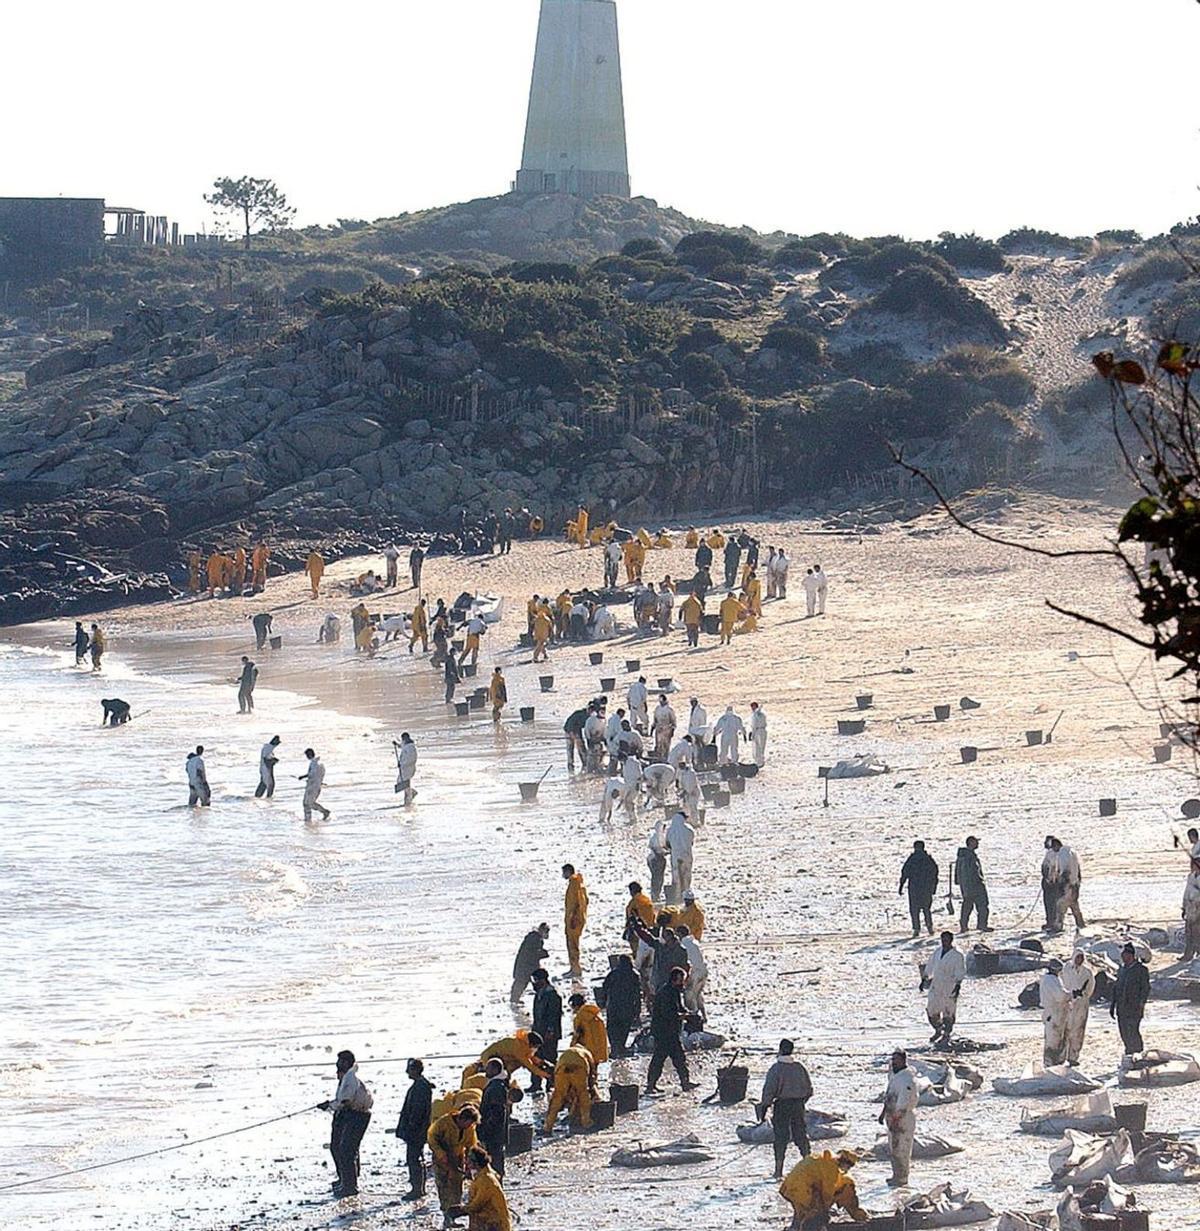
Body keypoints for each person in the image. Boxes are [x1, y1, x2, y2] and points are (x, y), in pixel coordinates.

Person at [319, 1050, 373, 1199]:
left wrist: (330, 1105)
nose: (338, 1064)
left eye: (341, 1061)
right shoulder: (347, 1078)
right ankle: (345, 1180)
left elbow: (345, 1101)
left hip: (356, 1115)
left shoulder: (350, 1078)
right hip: (351, 1114)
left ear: (347, 1062)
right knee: (339, 1148)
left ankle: (350, 1186)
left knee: (346, 1150)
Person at [757, 1039, 813, 1179]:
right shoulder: (799, 1067)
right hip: (798, 1105)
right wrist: (801, 1102)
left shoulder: (776, 1069)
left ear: (780, 1050)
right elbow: (809, 1090)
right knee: (800, 1135)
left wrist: (764, 1107)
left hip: (782, 1105)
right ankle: (810, 1165)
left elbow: (768, 1091)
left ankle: (778, 1171)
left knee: (781, 1137)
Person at [779, 1149, 867, 1230]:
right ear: (845, 1162)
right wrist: (825, 1211)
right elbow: (827, 1195)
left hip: (790, 1186)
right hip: (802, 1189)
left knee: (801, 1213)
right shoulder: (832, 1170)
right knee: (816, 1216)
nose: (848, 1168)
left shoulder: (825, 1160)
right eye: (850, 1165)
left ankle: (794, 1228)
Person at [645, 967, 697, 1094]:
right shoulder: (666, 993)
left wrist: (689, 1014)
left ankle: (684, 1083)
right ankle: (652, 1085)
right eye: (682, 980)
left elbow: (679, 1008)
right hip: (664, 1032)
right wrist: (684, 1016)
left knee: (676, 1058)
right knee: (661, 1058)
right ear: (676, 980)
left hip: (670, 1031)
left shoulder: (673, 991)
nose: (683, 983)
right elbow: (668, 1013)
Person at [428, 1104, 479, 1223]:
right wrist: (440, 1153)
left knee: (456, 1188)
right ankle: (446, 1215)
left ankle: (453, 1216)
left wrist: (469, 1164)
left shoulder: (470, 1128)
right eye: (468, 1123)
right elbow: (431, 1137)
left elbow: (471, 1146)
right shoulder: (443, 1122)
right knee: (443, 1186)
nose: (470, 1126)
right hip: (441, 1160)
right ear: (462, 1119)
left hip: (458, 1159)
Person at [879, 1050, 919, 1187]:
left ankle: (902, 1178)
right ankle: (896, 1175)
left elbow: (904, 1102)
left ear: (903, 1060)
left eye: (896, 1060)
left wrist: (896, 1119)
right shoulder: (894, 1075)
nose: (893, 1062)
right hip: (892, 1118)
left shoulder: (907, 1080)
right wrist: (883, 1114)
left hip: (903, 1120)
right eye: (892, 1059)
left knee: (902, 1149)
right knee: (894, 1148)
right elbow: (889, 1095)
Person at [396, 1058, 433, 1200]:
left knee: (414, 1158)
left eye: (409, 1069)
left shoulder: (420, 1087)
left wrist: (411, 1127)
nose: (407, 1072)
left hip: (416, 1130)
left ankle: (417, 1189)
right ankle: (418, 1188)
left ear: (415, 1070)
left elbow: (417, 1112)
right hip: (418, 1129)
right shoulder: (421, 1085)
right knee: (416, 1157)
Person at [921, 931, 966, 1047]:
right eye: (942, 940)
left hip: (950, 986)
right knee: (931, 1010)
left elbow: (960, 971)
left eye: (946, 940)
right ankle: (938, 1030)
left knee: (948, 1012)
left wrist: (957, 986)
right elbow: (930, 965)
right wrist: (924, 979)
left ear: (951, 940)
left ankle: (946, 1034)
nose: (944, 942)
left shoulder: (957, 955)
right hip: (936, 985)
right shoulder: (937, 951)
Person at [542, 1043, 596, 1133]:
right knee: (583, 1094)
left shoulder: (567, 1052)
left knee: (557, 1097)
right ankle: (586, 1122)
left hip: (561, 1069)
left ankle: (548, 1127)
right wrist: (592, 1089)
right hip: (579, 1067)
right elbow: (592, 1074)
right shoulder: (587, 1053)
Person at [1110, 942, 1150, 1061]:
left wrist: (1142, 1003)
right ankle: (1129, 1053)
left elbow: (1145, 988)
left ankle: (1138, 1054)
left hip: (1134, 1007)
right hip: (1121, 1007)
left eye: (1126, 955)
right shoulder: (1121, 970)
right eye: (1123, 955)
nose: (1124, 957)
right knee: (1124, 1032)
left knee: (1133, 1031)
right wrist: (1112, 1005)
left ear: (1132, 956)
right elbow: (1116, 988)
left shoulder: (1141, 970)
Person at [477, 1058, 513, 1177]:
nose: (486, 1070)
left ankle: (496, 1187)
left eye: (488, 1068)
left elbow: (497, 1113)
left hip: (494, 1134)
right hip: (496, 1133)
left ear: (495, 1069)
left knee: (495, 1162)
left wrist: (486, 1129)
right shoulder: (498, 1084)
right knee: (496, 1160)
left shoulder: (496, 1087)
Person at [601, 953, 641, 1057]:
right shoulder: (634, 975)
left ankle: (614, 1048)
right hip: (628, 1007)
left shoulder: (613, 973)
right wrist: (638, 1009)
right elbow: (637, 994)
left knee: (612, 1028)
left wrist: (604, 1001)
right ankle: (621, 1047)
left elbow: (604, 987)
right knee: (624, 1028)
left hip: (613, 1006)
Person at [529, 969, 562, 1094]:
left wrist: (551, 1031)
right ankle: (535, 1084)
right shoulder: (539, 994)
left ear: (542, 980)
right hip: (538, 1033)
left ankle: (551, 1084)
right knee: (536, 1058)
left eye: (535, 980)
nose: (534, 983)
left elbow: (554, 1016)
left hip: (549, 1034)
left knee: (549, 1059)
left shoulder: (552, 995)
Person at [899, 840, 939, 937]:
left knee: (914, 909)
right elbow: (935, 874)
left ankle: (916, 929)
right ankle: (929, 928)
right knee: (926, 909)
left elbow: (904, 873)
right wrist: (934, 887)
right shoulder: (928, 859)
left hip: (914, 888)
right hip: (926, 888)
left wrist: (901, 886)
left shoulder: (912, 859)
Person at [1062, 950, 1095, 1065]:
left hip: (1081, 1004)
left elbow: (1090, 987)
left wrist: (1083, 996)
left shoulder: (1087, 972)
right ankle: (1064, 1056)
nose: (1079, 960)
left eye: (1081, 957)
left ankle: (1073, 1057)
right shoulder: (1066, 969)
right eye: (1077, 957)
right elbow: (1063, 984)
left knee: (1078, 1030)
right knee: (1066, 1030)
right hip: (1068, 1003)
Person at [954, 835, 991, 933]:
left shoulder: (962, 856)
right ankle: (982, 925)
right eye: (976, 842)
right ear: (971, 843)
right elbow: (972, 872)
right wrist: (979, 881)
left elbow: (957, 875)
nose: (978, 844)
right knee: (982, 906)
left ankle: (964, 926)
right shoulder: (968, 857)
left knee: (967, 907)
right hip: (974, 886)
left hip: (967, 887)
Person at [1040, 959, 1071, 1066]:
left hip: (1052, 1013)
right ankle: (1053, 1065)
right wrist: (1071, 994)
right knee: (1054, 1041)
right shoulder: (1051, 980)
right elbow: (1060, 996)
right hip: (1055, 1014)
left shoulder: (1047, 979)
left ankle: (1053, 1064)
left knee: (1053, 1040)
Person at [510, 922, 550, 1003]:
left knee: (523, 982)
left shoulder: (535, 938)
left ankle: (515, 999)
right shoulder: (534, 938)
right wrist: (543, 954)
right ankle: (514, 999)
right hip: (526, 966)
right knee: (522, 982)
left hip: (528, 965)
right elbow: (532, 953)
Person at [1053, 838, 1085, 930]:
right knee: (1074, 905)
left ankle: (1058, 926)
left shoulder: (1063, 853)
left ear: (1056, 846)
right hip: (1075, 884)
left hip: (1068, 884)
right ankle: (1081, 924)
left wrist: (1062, 884)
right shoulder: (1072, 852)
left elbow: (1065, 870)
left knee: (1060, 905)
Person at [676, 924, 707, 1019]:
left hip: (694, 973)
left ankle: (694, 1017)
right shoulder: (694, 942)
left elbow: (687, 962)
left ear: (680, 934)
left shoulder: (683, 945)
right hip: (703, 971)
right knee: (698, 994)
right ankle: (703, 1015)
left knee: (689, 996)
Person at [563, 864, 589, 977]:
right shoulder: (579, 883)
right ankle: (574, 967)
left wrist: (573, 917)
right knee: (573, 943)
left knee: (572, 944)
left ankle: (575, 969)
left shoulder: (574, 883)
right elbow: (586, 900)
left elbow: (576, 902)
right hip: (577, 917)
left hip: (574, 919)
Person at [666, 809, 695, 903]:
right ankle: (686, 895)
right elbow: (691, 842)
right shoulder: (689, 829)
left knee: (677, 876)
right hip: (687, 855)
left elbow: (667, 844)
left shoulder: (670, 830)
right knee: (687, 875)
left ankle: (678, 896)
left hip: (676, 856)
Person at [569, 992, 608, 1063]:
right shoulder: (595, 1014)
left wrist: (571, 1049)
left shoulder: (579, 1017)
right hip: (600, 1049)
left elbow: (577, 1035)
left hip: (587, 1051)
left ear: (576, 1006)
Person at [299, 748, 330, 822]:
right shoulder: (320, 763)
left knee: (307, 804)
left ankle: (322, 812)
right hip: (316, 786)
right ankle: (309, 818)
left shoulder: (314, 763)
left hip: (312, 787)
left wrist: (303, 777)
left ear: (309, 754)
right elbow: (319, 775)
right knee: (309, 803)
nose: (306, 757)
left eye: (307, 755)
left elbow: (311, 774)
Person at [625, 881, 656, 951]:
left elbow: (630, 917)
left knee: (637, 951)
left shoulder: (634, 903)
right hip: (650, 930)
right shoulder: (647, 900)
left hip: (637, 931)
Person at [1041, 835, 1061, 931]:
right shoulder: (1050, 853)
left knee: (1053, 903)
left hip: (1054, 883)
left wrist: (1050, 879)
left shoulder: (1056, 854)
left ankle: (1054, 922)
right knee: (1050, 903)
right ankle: (1051, 921)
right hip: (1050, 882)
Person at [1183, 855, 1200, 961]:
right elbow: (1186, 892)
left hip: (1198, 908)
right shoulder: (1191, 876)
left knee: (1197, 933)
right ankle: (1188, 954)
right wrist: (1184, 906)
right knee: (1188, 932)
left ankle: (1198, 954)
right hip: (1190, 908)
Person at [563, 704, 589, 772]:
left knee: (581, 746)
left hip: (577, 730)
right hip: (569, 730)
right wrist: (574, 736)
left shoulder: (588, 716)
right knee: (570, 748)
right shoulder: (580, 715)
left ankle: (585, 762)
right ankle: (570, 764)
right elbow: (570, 725)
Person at [394, 733, 418, 805]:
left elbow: (411, 759)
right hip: (405, 768)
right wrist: (396, 744)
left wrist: (402, 764)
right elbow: (402, 746)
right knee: (402, 782)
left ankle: (411, 795)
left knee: (403, 782)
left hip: (408, 768)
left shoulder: (411, 747)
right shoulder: (406, 745)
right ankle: (409, 796)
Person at [651, 694, 676, 760]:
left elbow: (673, 721)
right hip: (658, 729)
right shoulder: (657, 709)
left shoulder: (669, 710)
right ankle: (659, 758)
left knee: (666, 745)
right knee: (658, 745)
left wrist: (672, 730)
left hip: (667, 729)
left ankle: (665, 758)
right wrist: (652, 728)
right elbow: (655, 719)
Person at [749, 701, 768, 767]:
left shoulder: (755, 714)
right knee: (762, 746)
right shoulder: (762, 713)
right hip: (763, 730)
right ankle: (761, 761)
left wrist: (752, 734)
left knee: (757, 747)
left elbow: (754, 725)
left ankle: (759, 762)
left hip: (757, 731)